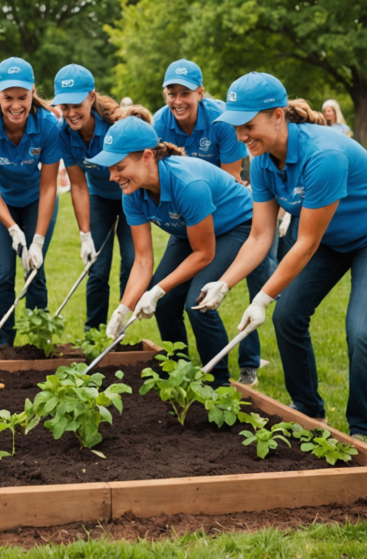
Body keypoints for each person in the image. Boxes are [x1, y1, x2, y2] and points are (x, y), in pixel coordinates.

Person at [198, 72, 367, 440]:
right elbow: (261, 236)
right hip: (333, 238)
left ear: (278, 115)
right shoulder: (262, 160)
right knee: (289, 316)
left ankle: (364, 432)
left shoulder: (323, 154)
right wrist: (224, 283)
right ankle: (308, 409)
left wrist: (262, 297)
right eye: (235, 127)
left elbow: (306, 242)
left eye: (248, 125)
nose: (241, 136)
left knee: (361, 330)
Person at [92, 117, 270, 385]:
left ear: (147, 157)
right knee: (164, 302)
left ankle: (218, 384)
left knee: (198, 302)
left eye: (119, 167)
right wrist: (123, 309)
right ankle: (179, 372)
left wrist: (156, 290)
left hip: (237, 226)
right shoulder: (132, 193)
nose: (112, 176)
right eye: (110, 169)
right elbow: (142, 261)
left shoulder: (187, 184)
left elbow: (204, 254)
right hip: (190, 230)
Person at [0, 57, 61, 347]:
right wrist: (12, 228)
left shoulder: (48, 125)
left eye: (23, 97)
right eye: (8, 97)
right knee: (4, 271)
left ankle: (39, 339)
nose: (16, 105)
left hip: (38, 198)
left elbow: (49, 186)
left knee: (35, 267)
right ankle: (2, 342)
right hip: (1, 203)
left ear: (33, 91)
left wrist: (35, 240)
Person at [54, 64, 143, 331]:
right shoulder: (63, 134)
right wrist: (84, 235)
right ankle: (92, 334)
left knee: (131, 263)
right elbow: (78, 186)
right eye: (64, 106)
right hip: (99, 200)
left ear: (91, 98)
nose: (70, 113)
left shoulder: (117, 125)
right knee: (97, 268)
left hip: (132, 198)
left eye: (76, 105)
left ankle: (120, 329)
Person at [152, 60, 247, 181]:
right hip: (176, 192)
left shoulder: (224, 121)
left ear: (200, 94)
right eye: (172, 94)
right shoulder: (157, 125)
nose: (178, 101)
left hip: (218, 191)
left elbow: (231, 180)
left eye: (185, 93)